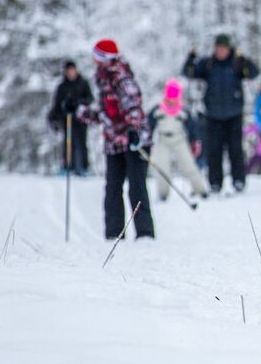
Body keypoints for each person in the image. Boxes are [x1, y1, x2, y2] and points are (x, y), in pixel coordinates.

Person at [74, 39, 155, 240]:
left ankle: (145, 234)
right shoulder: (102, 79)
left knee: (136, 188)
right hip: (114, 143)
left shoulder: (121, 76)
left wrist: (134, 129)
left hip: (134, 141)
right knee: (112, 189)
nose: (93, 60)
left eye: (96, 56)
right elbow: (106, 115)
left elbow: (133, 104)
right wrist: (79, 111)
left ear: (103, 58)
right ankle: (114, 234)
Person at [182, 34, 259, 195]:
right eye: (218, 48)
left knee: (235, 150)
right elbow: (189, 73)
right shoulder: (208, 64)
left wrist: (245, 61)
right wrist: (190, 59)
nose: (221, 51)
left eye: (223, 48)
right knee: (214, 150)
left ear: (229, 48)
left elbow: (253, 73)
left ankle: (238, 180)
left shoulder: (236, 63)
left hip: (234, 115)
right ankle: (215, 182)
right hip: (213, 115)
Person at [147, 78, 209, 202]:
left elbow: (192, 128)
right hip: (163, 140)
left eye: (175, 95)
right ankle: (163, 193)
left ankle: (200, 190)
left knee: (189, 165)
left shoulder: (183, 111)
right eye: (170, 95)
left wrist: (195, 142)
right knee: (162, 166)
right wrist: (147, 141)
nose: (172, 99)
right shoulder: (157, 110)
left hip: (179, 140)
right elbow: (148, 126)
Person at [48, 60, 93, 176]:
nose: (71, 73)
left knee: (82, 143)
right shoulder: (62, 86)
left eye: (73, 70)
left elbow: (90, 99)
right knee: (67, 143)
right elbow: (57, 103)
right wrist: (54, 118)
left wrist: (78, 103)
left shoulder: (83, 83)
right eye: (69, 71)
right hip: (67, 119)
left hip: (81, 119)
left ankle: (84, 166)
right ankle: (67, 166)